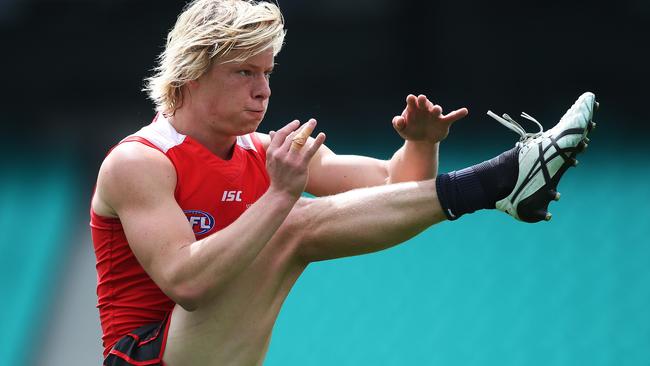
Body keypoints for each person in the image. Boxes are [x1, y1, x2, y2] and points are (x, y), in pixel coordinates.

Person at [90, 0, 598, 365]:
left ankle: (498, 185)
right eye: (244, 72)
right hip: (148, 356)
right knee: (291, 222)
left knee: (294, 220)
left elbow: (392, 189)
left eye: (267, 73)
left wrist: (421, 145)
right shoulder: (140, 161)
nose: (263, 91)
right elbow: (188, 283)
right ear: (190, 75)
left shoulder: (265, 151)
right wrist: (281, 195)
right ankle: (499, 181)